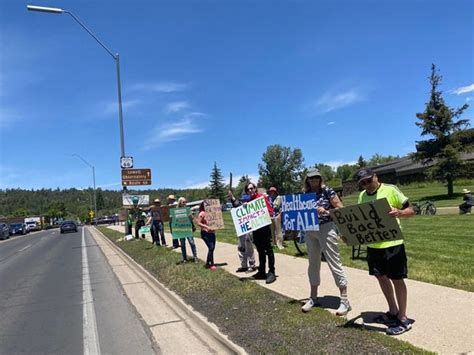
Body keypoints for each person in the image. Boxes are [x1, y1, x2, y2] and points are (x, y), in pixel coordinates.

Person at [355, 167, 415, 336]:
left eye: (369, 180)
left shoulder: (391, 190)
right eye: (363, 183)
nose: (367, 185)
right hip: (374, 246)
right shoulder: (362, 196)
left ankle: (403, 318)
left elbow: (411, 210)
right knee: (381, 277)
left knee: (397, 279)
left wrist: (400, 212)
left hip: (393, 243)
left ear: (376, 177)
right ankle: (393, 311)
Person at [300, 167, 351, 316]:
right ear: (307, 180)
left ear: (320, 178)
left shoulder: (328, 191)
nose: (314, 180)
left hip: (326, 227)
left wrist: (327, 211)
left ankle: (344, 300)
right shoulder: (304, 195)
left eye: (316, 177)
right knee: (313, 263)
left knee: (334, 261)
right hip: (310, 230)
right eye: (311, 178)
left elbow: (340, 208)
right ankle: (313, 297)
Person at [228, 182, 277, 284]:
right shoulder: (249, 201)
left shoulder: (261, 198)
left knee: (268, 250)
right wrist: (245, 206)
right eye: (248, 190)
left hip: (264, 228)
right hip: (256, 230)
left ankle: (272, 271)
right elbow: (238, 206)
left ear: (255, 189)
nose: (250, 190)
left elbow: (271, 211)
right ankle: (262, 271)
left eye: (251, 188)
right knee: (260, 250)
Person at [235, 194, 256, 273]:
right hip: (241, 230)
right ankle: (244, 266)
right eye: (241, 201)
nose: (242, 202)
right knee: (241, 247)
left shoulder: (251, 208)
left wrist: (248, 206)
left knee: (249, 248)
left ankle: (252, 265)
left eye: (243, 200)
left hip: (249, 230)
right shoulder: (240, 209)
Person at [175, 197, 197, 263]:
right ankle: (184, 258)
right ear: (180, 203)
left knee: (192, 243)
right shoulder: (176, 211)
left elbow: (191, 219)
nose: (185, 203)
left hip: (188, 228)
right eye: (183, 202)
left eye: (185, 202)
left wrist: (192, 217)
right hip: (181, 229)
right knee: (182, 244)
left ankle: (195, 257)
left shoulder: (188, 209)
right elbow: (174, 221)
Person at [196, 201, 217, 270]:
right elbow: (198, 223)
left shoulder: (211, 213)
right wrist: (206, 227)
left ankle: (208, 262)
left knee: (212, 248)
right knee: (211, 247)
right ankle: (211, 264)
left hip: (212, 233)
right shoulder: (202, 213)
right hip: (205, 233)